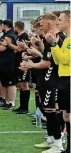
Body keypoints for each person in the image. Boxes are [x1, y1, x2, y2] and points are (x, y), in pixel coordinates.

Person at [20, 13, 64, 153]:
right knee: (48, 109)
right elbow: (47, 56)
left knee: (52, 110)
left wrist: (30, 65)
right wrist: (36, 48)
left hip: (54, 79)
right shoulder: (48, 38)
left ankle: (58, 144)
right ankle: (51, 139)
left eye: (41, 24)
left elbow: (47, 63)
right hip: (48, 78)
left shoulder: (56, 38)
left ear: (49, 24)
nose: (40, 27)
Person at [46, 10, 70, 153]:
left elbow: (66, 60)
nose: (58, 22)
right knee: (66, 115)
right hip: (63, 79)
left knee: (69, 116)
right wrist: (54, 45)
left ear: (68, 21)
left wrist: (54, 44)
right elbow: (56, 60)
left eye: (60, 20)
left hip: (69, 80)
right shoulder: (66, 39)